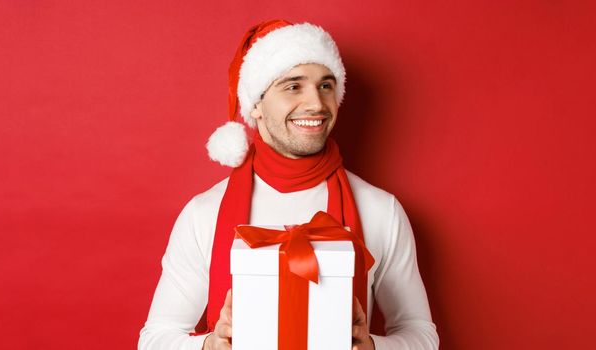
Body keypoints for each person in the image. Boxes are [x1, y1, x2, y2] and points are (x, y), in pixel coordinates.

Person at [138, 19, 439, 350]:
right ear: (255, 105)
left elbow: (420, 333)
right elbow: (155, 339)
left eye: (326, 85)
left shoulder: (380, 210)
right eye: (293, 86)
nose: (316, 104)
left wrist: (372, 348)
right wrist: (210, 345)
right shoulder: (204, 213)